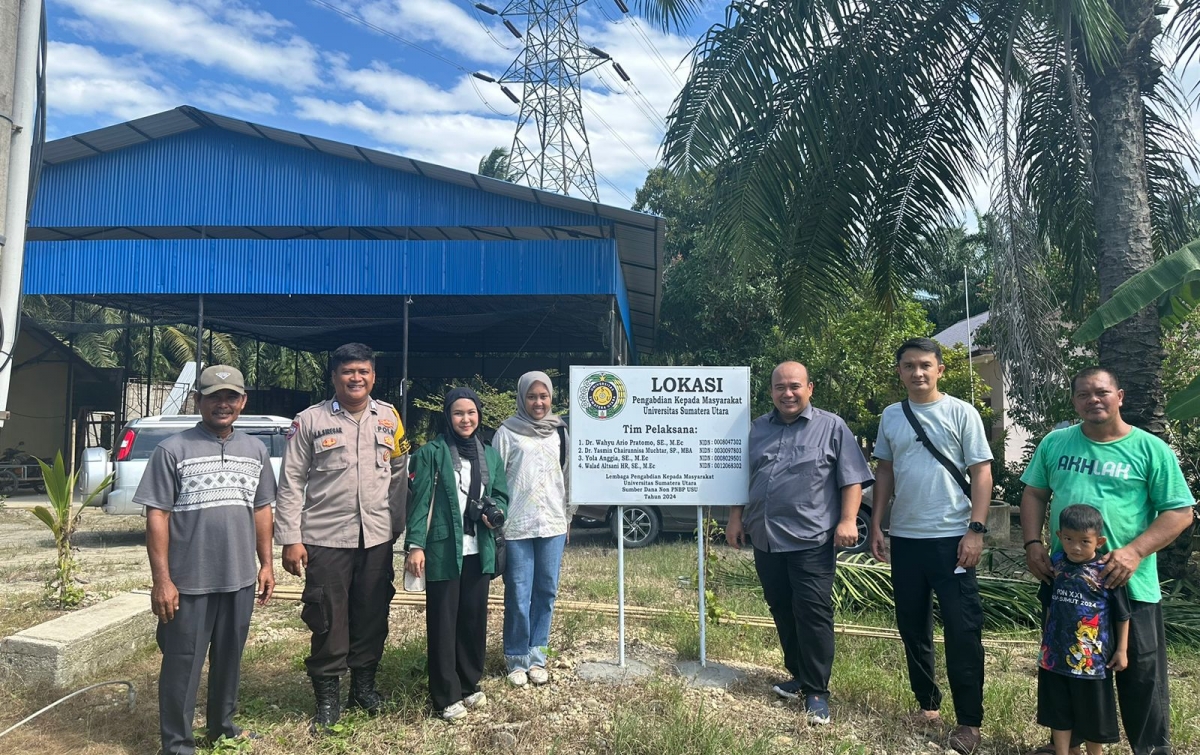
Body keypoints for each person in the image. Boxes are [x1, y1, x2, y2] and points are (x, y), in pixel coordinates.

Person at [1021, 366, 1194, 755]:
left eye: (1101, 392)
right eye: (1083, 394)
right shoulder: (1056, 443)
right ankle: (1069, 741)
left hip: (1128, 584)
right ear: (1074, 401)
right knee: (1070, 664)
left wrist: (1134, 551)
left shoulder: (1150, 449)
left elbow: (1180, 513)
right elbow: (1034, 494)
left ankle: (1150, 749)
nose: (1092, 400)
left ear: (1120, 397)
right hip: (1068, 585)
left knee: (1139, 674)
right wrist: (1032, 543)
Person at [135, 365, 276, 755]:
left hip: (240, 579)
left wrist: (266, 564)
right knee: (183, 664)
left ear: (243, 402)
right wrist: (162, 580)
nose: (223, 403)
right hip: (188, 581)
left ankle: (222, 728)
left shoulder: (255, 450)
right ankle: (177, 745)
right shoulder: (172, 450)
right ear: (198, 401)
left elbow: (262, 508)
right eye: (214, 396)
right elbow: (156, 515)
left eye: (231, 396)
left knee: (229, 659)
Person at [725, 361, 873, 724]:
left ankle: (818, 691)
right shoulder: (758, 428)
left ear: (810, 387)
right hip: (765, 537)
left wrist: (848, 520)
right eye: (779, 387)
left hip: (811, 540)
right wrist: (734, 517)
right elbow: (742, 475)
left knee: (812, 613)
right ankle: (799, 675)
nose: (787, 393)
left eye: (794, 386)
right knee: (781, 607)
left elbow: (852, 479)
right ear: (771, 391)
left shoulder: (831, 426)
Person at [275, 343, 410, 733]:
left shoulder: (389, 417)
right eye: (348, 372)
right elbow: (291, 482)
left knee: (372, 613)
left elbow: (400, 472)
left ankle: (363, 688)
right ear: (334, 377)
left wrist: (396, 525)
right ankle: (328, 698)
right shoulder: (310, 420)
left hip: (377, 537)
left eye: (364, 372)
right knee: (328, 619)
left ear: (373, 376)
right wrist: (290, 537)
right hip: (326, 537)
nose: (357, 378)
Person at [868, 337, 993, 755]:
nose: (917, 373)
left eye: (925, 365)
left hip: (953, 539)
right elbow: (884, 471)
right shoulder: (890, 416)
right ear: (899, 371)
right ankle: (927, 707)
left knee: (962, 630)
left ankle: (969, 722)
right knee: (912, 626)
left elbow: (981, 473)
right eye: (908, 366)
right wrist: (877, 525)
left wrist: (975, 529)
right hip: (906, 537)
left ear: (940, 369)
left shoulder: (962, 412)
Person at [405, 387, 510, 721]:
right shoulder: (430, 454)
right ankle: (445, 694)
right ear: (447, 417)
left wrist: (496, 511)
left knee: (473, 619)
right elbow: (420, 502)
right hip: (442, 550)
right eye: (458, 413)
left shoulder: (489, 454)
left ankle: (469, 683)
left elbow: (501, 495)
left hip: (480, 549)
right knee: (443, 622)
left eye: (471, 413)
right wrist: (416, 545)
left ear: (479, 416)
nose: (466, 419)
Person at [492, 371, 571, 687]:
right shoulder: (507, 433)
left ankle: (537, 657)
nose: (538, 402)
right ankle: (515, 657)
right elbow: (495, 479)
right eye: (532, 396)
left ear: (551, 398)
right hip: (517, 526)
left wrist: (570, 518)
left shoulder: (560, 433)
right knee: (518, 594)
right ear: (521, 398)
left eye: (544, 396)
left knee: (547, 591)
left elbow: (569, 477)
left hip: (552, 523)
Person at [1036, 504, 1130, 755]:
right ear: (1059, 536)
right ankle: (1062, 751)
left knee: (1093, 713)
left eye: (1084, 541)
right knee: (1058, 709)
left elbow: (1122, 614)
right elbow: (1048, 604)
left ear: (1099, 541)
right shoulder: (1055, 564)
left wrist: (1121, 650)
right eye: (1068, 539)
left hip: (1092, 659)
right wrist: (1045, 640)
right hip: (1054, 655)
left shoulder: (1106, 571)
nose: (1075, 547)